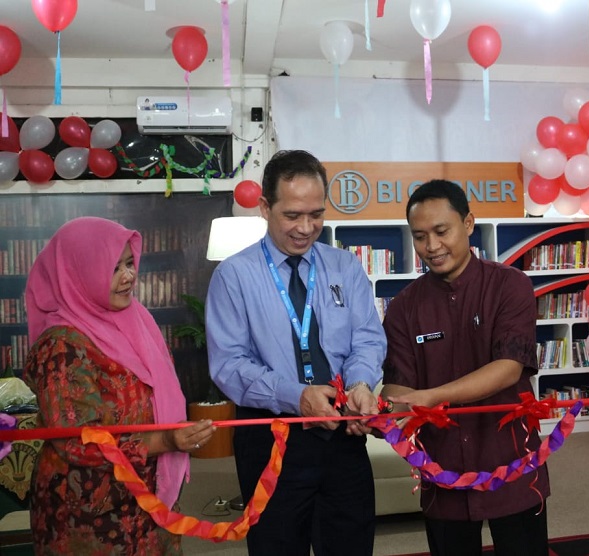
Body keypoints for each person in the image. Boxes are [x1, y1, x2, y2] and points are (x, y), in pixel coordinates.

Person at [206, 149, 386, 555]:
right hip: (272, 438)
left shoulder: (345, 267)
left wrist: (360, 384)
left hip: (342, 433)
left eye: (316, 214)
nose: (306, 228)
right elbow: (230, 365)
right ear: (266, 208)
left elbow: (367, 339)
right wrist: (295, 395)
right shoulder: (234, 276)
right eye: (292, 215)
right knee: (276, 545)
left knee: (350, 543)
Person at [23, 216, 215, 555]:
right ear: (78, 273)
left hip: (147, 502)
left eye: (129, 263)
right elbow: (77, 440)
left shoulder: (137, 320)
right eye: (113, 268)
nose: (128, 276)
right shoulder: (62, 345)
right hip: (89, 516)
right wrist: (165, 440)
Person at [381, 179, 550, 556]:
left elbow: (508, 368)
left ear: (469, 223)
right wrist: (379, 413)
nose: (432, 246)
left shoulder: (511, 285)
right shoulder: (404, 308)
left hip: (510, 460)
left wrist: (431, 397)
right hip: (442, 468)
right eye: (420, 236)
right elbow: (398, 387)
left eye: (442, 231)